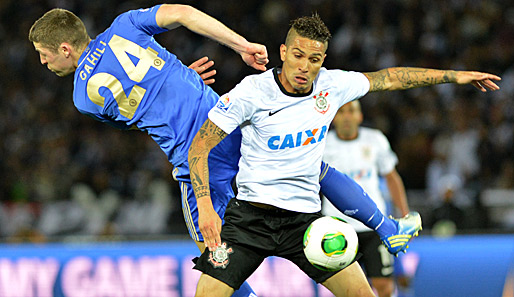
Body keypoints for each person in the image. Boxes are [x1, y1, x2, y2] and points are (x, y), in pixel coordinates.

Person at [29, 5, 416, 297]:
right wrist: (238, 46)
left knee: (215, 260)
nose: (43, 62)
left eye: (45, 53)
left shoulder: (83, 99)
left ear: (66, 48)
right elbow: (183, 13)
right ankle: (387, 227)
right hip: (231, 130)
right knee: (309, 166)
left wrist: (172, 81)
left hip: (196, 160)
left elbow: (139, 112)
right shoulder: (126, 25)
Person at [187, 13, 500, 297]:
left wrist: (454, 76)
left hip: (305, 225)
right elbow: (199, 147)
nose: (304, 66)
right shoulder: (251, 92)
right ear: (283, 53)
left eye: (313, 59)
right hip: (249, 222)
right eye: (297, 55)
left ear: (322, 61)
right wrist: (205, 207)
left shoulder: (332, 86)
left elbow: (389, 78)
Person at [321, 100, 409, 297]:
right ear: (333, 117)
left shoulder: (375, 140)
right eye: (341, 112)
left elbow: (391, 177)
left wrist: (403, 212)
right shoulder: (322, 144)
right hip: (337, 228)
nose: (346, 117)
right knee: (346, 290)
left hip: (373, 227)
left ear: (360, 116)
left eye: (351, 111)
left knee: (384, 286)